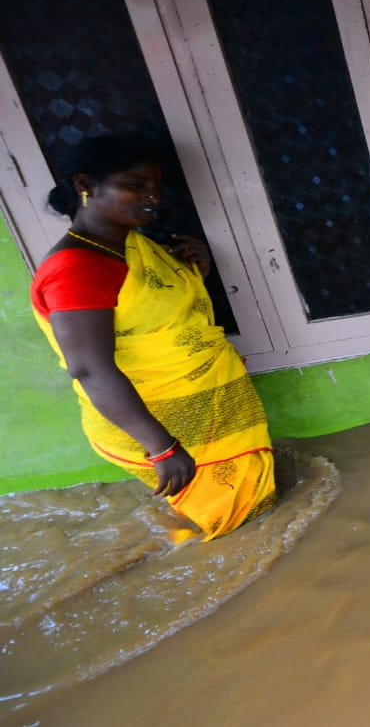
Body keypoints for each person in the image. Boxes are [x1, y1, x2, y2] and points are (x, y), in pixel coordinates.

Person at [30, 136, 276, 539]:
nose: (153, 197)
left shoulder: (130, 247)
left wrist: (197, 269)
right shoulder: (78, 268)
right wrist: (162, 448)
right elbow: (90, 370)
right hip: (163, 425)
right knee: (238, 531)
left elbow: (156, 317)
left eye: (156, 186)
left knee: (248, 519)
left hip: (209, 411)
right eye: (136, 184)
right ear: (85, 185)